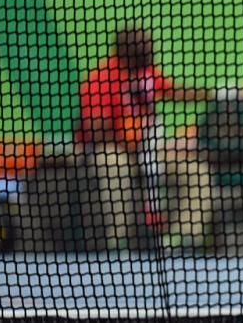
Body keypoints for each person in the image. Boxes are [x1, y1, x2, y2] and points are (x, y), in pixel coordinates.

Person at [75, 27, 213, 249]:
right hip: (112, 150)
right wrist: (132, 136)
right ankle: (117, 242)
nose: (151, 50)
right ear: (127, 51)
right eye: (144, 46)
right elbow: (96, 130)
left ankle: (182, 239)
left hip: (149, 149)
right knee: (113, 166)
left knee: (195, 170)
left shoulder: (147, 73)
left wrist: (211, 94)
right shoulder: (99, 79)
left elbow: (174, 91)